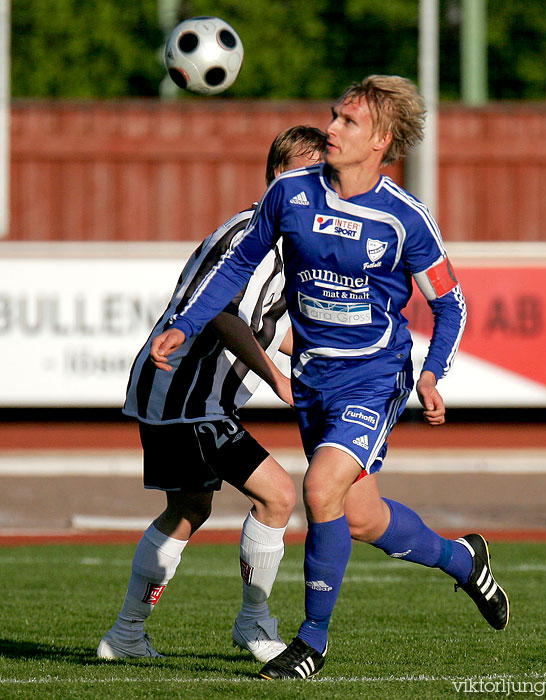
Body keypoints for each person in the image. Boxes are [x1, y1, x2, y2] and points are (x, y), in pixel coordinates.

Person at [151, 75, 510, 680]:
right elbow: (240, 263)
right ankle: (462, 559)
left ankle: (309, 643)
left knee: (319, 491)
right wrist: (185, 324)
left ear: (383, 141)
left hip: (374, 376)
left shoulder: (405, 219)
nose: (331, 130)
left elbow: (451, 304)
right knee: (361, 517)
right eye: (333, 116)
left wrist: (431, 374)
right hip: (314, 379)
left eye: (347, 122)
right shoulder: (290, 193)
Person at [96, 125, 327, 663]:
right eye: (301, 174)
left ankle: (126, 634)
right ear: (275, 175)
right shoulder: (251, 232)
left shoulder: (294, 242)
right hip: (185, 393)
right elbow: (224, 314)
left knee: (187, 509)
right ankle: (254, 624)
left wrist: (326, 360)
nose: (311, 187)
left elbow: (268, 321)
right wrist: (274, 377)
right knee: (278, 496)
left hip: (185, 395)